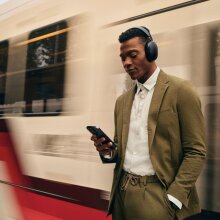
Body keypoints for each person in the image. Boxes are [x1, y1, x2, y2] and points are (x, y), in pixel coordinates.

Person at [90, 26, 206, 220]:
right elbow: (121, 149)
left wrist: (174, 198)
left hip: (157, 197)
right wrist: (107, 151)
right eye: (122, 58)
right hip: (121, 193)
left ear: (152, 51)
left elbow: (196, 150)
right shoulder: (122, 101)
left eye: (133, 55)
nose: (127, 63)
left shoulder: (182, 91)